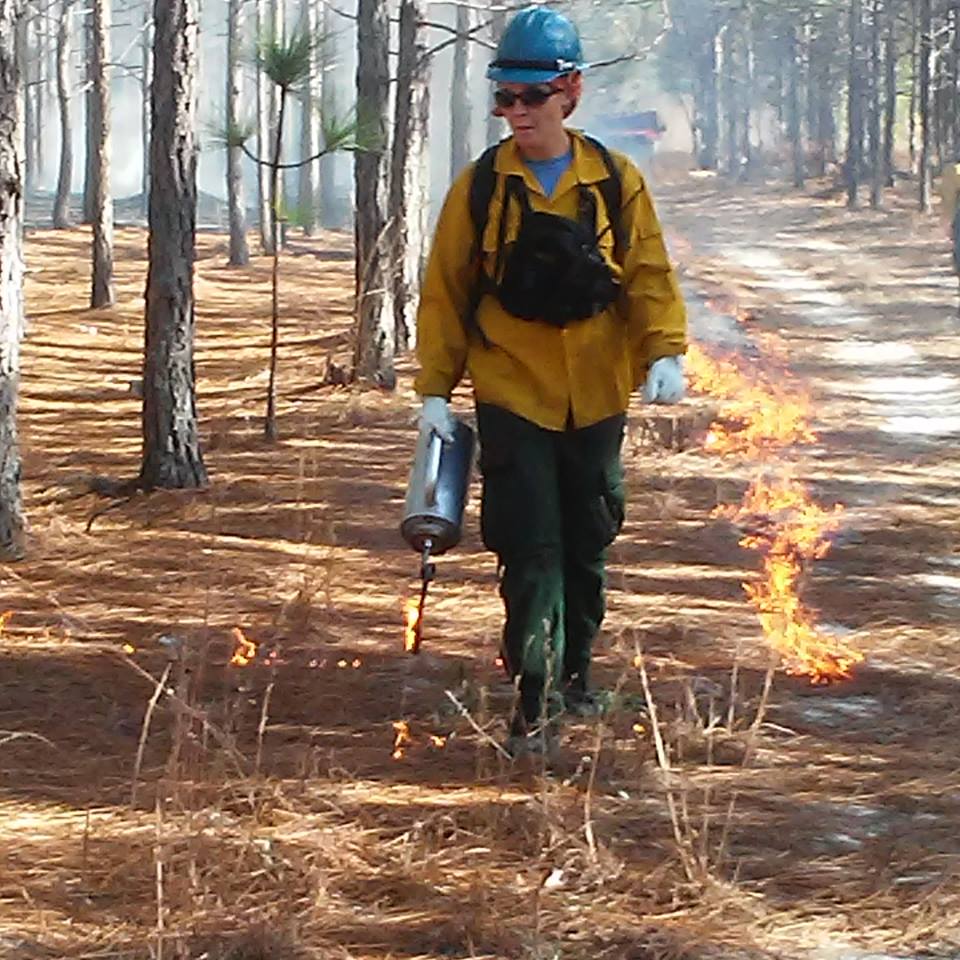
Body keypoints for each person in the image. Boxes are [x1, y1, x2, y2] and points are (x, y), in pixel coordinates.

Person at [413, 6, 688, 755]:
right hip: (514, 394)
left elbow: (649, 274)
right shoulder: (480, 189)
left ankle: (574, 678)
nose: (516, 113)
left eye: (531, 97)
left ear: (570, 91)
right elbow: (444, 292)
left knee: (586, 545)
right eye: (504, 97)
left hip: (598, 392)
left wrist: (665, 350)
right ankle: (533, 707)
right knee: (529, 549)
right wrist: (434, 390)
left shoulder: (613, 180)